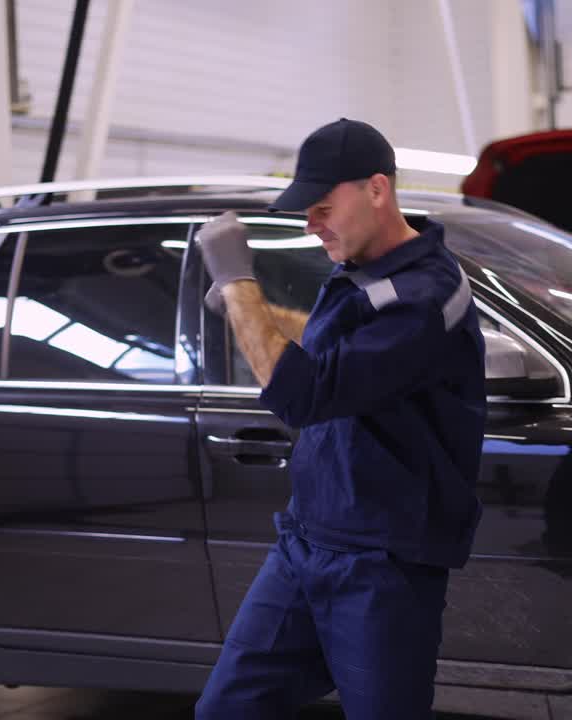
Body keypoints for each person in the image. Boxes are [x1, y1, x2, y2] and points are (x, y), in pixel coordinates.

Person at [193, 118, 486, 720]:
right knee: (227, 710)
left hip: (383, 561)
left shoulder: (426, 297)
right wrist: (250, 313)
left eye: (323, 208)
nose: (311, 224)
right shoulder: (365, 266)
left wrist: (240, 284)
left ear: (377, 189)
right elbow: (331, 348)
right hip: (307, 539)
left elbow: (303, 395)